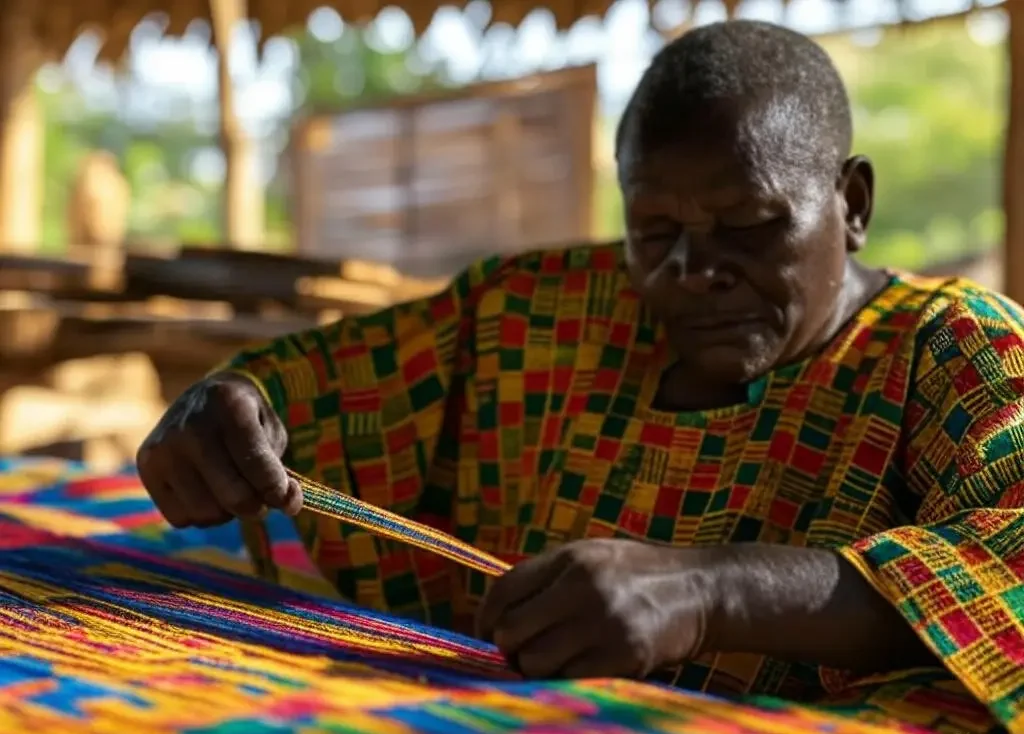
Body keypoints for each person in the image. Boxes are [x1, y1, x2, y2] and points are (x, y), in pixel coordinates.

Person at [137, 20, 1024, 733]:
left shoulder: (956, 352)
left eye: (749, 221)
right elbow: (310, 390)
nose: (690, 269)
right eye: (654, 230)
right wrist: (231, 410)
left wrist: (707, 590)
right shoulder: (531, 313)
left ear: (853, 205)